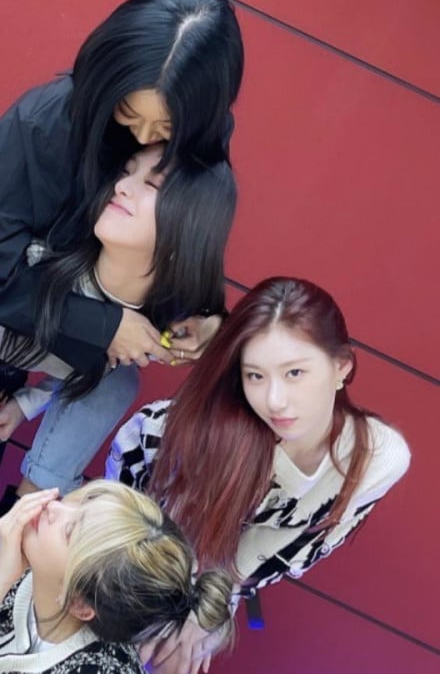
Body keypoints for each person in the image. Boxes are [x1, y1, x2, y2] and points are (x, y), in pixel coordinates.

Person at [0, 135, 238, 671]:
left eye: (152, 185)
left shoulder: (167, 307)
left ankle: (28, 502)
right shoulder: (53, 212)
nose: (123, 186)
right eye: (126, 169)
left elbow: (101, 373)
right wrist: (103, 325)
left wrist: (25, 404)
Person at [105, 277, 411, 673]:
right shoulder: (197, 435)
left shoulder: (376, 458)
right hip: (138, 552)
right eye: (255, 376)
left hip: (219, 582)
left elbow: (273, 554)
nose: (274, 401)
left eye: (294, 373)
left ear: (341, 367)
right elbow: (151, 533)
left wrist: (205, 613)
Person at [0, 480, 234, 673]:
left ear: (80, 604)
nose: (54, 506)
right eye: (82, 501)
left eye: (69, 531)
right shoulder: (13, 558)